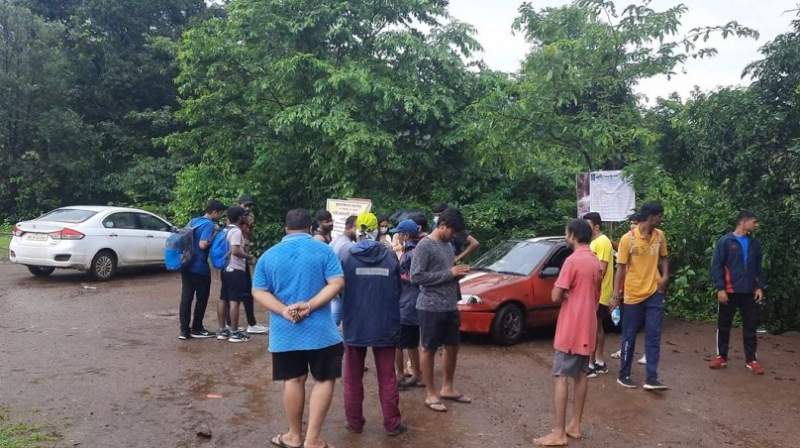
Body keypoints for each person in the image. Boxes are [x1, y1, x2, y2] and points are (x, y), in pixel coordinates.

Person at [252, 209, 345, 448]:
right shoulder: (324, 251)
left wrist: (284, 310)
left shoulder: (269, 255)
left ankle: (294, 436)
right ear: (310, 228)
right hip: (322, 333)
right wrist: (310, 305)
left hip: (285, 333)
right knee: (324, 380)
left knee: (293, 380)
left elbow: (259, 290)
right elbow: (337, 283)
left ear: (285, 228)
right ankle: (313, 440)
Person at [533, 219, 602, 447]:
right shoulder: (595, 261)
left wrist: (562, 294)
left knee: (562, 376)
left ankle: (559, 432)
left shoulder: (571, 261)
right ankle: (575, 425)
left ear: (572, 235)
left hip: (571, 327)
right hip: (588, 325)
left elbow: (555, 295)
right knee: (581, 375)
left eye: (566, 232)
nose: (565, 236)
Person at [340, 212, 405, 436]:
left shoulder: (346, 257)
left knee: (351, 377)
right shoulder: (390, 257)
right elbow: (398, 290)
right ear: (377, 229)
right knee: (387, 376)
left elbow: (338, 289)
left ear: (357, 229)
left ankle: (354, 422)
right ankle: (392, 424)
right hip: (385, 323)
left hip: (355, 324)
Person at [411, 207, 472, 412]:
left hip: (449, 304)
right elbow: (416, 277)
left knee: (453, 346)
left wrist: (457, 275)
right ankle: (431, 393)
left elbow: (446, 272)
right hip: (429, 306)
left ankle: (448, 387)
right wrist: (449, 273)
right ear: (442, 225)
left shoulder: (447, 245)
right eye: (452, 231)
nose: (453, 235)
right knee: (428, 348)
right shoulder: (424, 246)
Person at [612, 202, 670, 390]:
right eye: (659, 215)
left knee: (653, 335)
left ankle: (651, 378)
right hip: (633, 294)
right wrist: (615, 295)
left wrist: (665, 276)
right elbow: (620, 268)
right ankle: (624, 374)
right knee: (629, 335)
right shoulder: (627, 239)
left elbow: (664, 257)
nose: (661, 219)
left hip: (654, 291)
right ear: (651, 217)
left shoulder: (660, 236)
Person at [709, 210, 765, 374]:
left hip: (749, 292)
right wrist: (720, 288)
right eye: (754, 222)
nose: (756, 225)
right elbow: (717, 265)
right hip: (729, 291)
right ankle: (721, 357)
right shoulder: (725, 241)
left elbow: (758, 268)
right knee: (724, 325)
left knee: (750, 326)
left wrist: (759, 286)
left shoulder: (755, 244)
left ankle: (751, 360)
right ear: (743, 222)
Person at [179, 199, 226, 340]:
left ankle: (183, 330)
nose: (221, 216)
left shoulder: (194, 221)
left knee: (186, 298)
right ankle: (197, 328)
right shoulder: (209, 225)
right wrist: (214, 233)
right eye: (220, 213)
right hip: (199, 267)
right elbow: (203, 245)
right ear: (214, 212)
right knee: (202, 298)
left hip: (186, 264)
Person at [391, 219, 424, 388]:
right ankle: (417, 374)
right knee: (411, 342)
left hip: (406, 303)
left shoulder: (410, 253)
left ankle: (400, 375)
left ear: (406, 235)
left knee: (398, 343)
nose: (397, 236)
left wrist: (397, 275)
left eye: (399, 233)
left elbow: (412, 277)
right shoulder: (417, 249)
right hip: (414, 303)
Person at [583, 212, 614, 378]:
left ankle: (591, 363)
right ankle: (599, 362)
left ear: (596, 226)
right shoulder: (595, 242)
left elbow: (600, 271)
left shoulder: (601, 242)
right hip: (599, 292)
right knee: (597, 327)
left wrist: (590, 290)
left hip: (599, 293)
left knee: (593, 327)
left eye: (588, 225)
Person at [216, 206, 252, 343]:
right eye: (244, 215)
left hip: (225, 269)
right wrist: (248, 257)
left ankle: (222, 330)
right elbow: (235, 251)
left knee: (223, 298)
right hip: (235, 269)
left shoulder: (225, 230)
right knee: (234, 300)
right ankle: (234, 332)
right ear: (240, 218)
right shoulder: (236, 231)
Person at [237, 194, 268, 335]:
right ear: (239, 204)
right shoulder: (235, 219)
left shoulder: (249, 218)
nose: (248, 208)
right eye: (245, 205)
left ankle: (240, 323)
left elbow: (250, 236)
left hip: (243, 257)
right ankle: (250, 323)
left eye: (249, 206)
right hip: (238, 258)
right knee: (242, 292)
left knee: (242, 292)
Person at [330, 215, 358, 326]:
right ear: (349, 227)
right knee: (334, 323)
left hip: (333, 287)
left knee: (333, 323)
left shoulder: (336, 240)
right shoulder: (348, 246)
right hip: (340, 290)